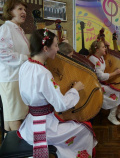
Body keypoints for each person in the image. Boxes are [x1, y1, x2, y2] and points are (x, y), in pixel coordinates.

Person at [18, 29, 97, 158]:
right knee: (85, 129)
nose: (57, 50)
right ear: (45, 48)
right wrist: (75, 89)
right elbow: (61, 105)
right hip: (45, 127)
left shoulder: (26, 65)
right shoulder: (43, 73)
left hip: (30, 123)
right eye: (55, 45)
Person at [0, 0, 29, 132]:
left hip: (18, 77)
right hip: (11, 78)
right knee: (14, 117)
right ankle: (18, 151)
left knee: (15, 116)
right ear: (10, 11)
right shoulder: (6, 28)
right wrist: (26, 59)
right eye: (20, 9)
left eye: (24, 9)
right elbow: (2, 52)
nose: (24, 12)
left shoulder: (18, 29)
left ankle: (13, 149)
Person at [89, 40, 120, 125]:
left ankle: (117, 111)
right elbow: (100, 76)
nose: (105, 48)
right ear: (97, 50)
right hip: (96, 84)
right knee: (117, 92)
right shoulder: (93, 59)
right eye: (103, 47)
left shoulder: (101, 57)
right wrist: (115, 73)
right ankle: (111, 116)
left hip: (103, 82)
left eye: (105, 47)